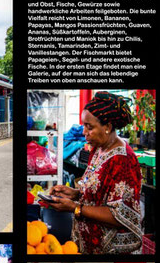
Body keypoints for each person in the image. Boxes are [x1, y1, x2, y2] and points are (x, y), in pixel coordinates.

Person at [47, 91, 144, 254]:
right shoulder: (99, 149)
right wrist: (75, 193)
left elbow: (119, 214)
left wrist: (75, 207)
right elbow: (101, 193)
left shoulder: (122, 160)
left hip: (112, 250)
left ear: (108, 127)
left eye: (89, 127)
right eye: (84, 125)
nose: (84, 132)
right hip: (91, 243)